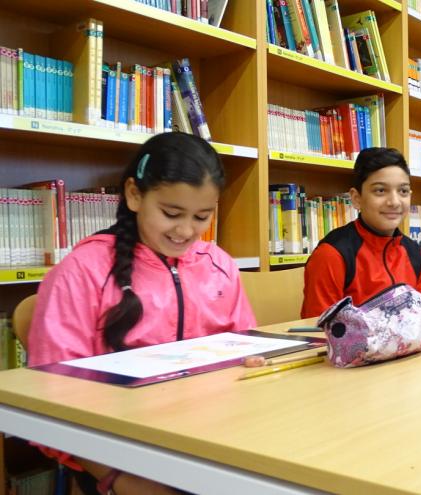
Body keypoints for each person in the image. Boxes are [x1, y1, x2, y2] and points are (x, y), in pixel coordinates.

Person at [28, 132, 256, 494]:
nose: (186, 231)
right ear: (134, 195)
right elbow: (50, 399)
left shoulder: (220, 265)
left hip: (211, 437)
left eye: (202, 216)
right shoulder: (82, 271)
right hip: (118, 451)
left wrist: (252, 365)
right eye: (171, 213)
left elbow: (244, 349)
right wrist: (116, 477)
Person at [301, 147, 421, 318]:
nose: (394, 202)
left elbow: (419, 320)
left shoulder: (414, 253)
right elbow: (318, 330)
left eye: (403, 191)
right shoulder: (331, 254)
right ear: (356, 198)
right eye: (380, 190)